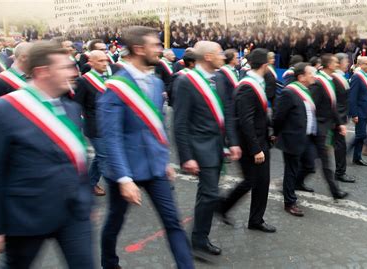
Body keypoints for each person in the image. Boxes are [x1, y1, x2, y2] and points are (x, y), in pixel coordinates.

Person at [0, 41, 93, 268]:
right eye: (65, 67)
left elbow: (77, 161)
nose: (73, 72)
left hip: (73, 214)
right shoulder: (1, 111)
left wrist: (86, 202)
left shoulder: (71, 108)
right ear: (42, 72)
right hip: (26, 217)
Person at [97, 26, 194, 269]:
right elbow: (111, 137)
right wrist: (123, 178)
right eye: (155, 45)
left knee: (173, 222)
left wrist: (164, 160)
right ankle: (109, 262)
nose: (160, 49)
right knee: (115, 221)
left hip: (154, 168)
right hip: (125, 171)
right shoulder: (115, 87)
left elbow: (157, 126)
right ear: (139, 49)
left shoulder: (154, 80)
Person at [173, 41, 241, 256]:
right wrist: (186, 157)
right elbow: (180, 123)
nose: (224, 56)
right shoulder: (185, 82)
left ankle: (199, 238)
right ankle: (198, 239)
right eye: (220, 53)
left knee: (207, 194)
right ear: (209, 57)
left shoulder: (219, 78)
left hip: (218, 146)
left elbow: (227, 112)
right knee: (210, 194)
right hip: (200, 148)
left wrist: (233, 142)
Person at [218, 48, 276, 233]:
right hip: (253, 143)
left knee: (259, 181)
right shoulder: (248, 86)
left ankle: (253, 218)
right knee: (253, 181)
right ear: (265, 65)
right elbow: (245, 120)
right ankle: (226, 208)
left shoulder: (256, 82)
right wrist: (256, 148)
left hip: (259, 140)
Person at [295, 54, 348, 198]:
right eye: (335, 62)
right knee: (324, 161)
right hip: (319, 128)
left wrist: (340, 123)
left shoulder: (329, 81)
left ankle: (295, 182)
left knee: (310, 163)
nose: (338, 64)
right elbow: (310, 105)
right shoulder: (319, 83)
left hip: (325, 126)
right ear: (329, 65)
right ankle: (335, 190)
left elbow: (332, 105)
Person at [273, 63, 315, 217]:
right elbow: (278, 116)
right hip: (292, 138)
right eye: (311, 73)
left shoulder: (306, 90)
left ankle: (295, 185)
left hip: (306, 137)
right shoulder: (289, 92)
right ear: (301, 77)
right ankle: (289, 202)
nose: (313, 76)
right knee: (291, 170)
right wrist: (276, 133)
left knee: (310, 165)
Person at [74, 51, 111, 196]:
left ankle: (90, 183)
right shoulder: (83, 81)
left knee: (100, 156)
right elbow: (76, 106)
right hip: (94, 126)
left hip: (108, 125)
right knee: (104, 157)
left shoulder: (109, 77)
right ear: (92, 62)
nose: (104, 63)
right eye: (100, 61)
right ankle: (117, 188)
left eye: (106, 60)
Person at [331, 53, 354, 183]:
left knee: (340, 145)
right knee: (340, 146)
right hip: (336, 119)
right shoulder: (335, 78)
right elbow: (336, 101)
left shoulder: (341, 77)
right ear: (338, 63)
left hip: (339, 117)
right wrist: (340, 121)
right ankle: (340, 173)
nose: (348, 63)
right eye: (346, 61)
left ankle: (340, 171)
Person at [349, 56, 367, 166]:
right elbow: (352, 97)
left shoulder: (365, 75)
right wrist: (354, 114)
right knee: (361, 135)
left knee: (361, 135)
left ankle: (357, 157)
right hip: (359, 111)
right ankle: (347, 152)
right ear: (360, 64)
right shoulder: (357, 77)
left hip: (365, 110)